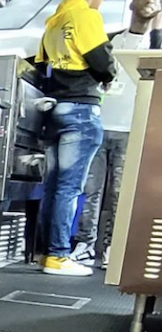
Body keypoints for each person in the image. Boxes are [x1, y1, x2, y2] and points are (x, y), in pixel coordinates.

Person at [72, 0, 162, 268]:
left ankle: (114, 246)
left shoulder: (157, 44)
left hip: (133, 128)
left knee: (121, 194)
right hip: (99, 124)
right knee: (89, 190)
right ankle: (85, 244)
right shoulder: (108, 40)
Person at [34, 0, 117, 277]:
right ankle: (58, 255)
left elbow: (43, 67)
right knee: (69, 189)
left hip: (55, 108)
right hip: (81, 110)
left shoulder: (53, 21)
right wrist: (109, 75)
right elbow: (103, 62)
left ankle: (46, 253)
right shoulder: (87, 17)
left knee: (53, 187)